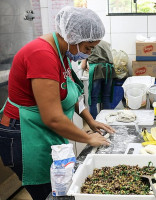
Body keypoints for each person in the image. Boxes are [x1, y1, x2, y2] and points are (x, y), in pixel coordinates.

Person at [0, 6, 115, 200]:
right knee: (50, 193)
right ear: (72, 35)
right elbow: (52, 118)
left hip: (40, 130)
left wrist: (90, 120)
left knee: (58, 187)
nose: (87, 54)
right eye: (87, 48)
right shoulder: (42, 54)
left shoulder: (62, 52)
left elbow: (72, 93)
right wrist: (88, 138)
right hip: (25, 134)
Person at [81, 40, 116, 119]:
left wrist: (85, 64)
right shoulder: (106, 43)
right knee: (106, 97)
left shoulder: (89, 43)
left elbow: (83, 66)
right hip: (109, 69)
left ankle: (95, 123)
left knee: (93, 99)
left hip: (97, 69)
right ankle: (107, 122)